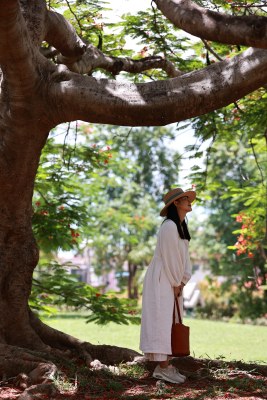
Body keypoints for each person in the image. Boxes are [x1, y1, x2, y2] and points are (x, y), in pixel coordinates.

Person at [140, 187, 196, 384]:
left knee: (171, 321)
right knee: (161, 320)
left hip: (173, 280)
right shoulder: (169, 226)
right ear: (176, 203)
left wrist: (182, 280)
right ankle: (162, 368)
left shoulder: (181, 226)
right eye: (184, 199)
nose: (189, 201)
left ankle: (166, 365)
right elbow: (170, 258)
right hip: (162, 279)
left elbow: (184, 258)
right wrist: (175, 281)